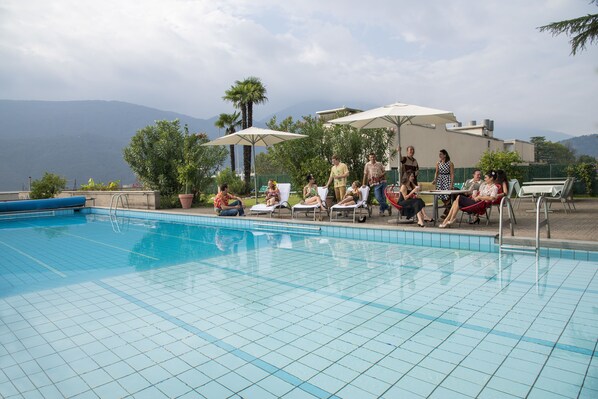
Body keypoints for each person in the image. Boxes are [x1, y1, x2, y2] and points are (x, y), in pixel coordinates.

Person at [362, 152, 391, 217]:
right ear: (369, 158)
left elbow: (384, 172)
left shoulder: (379, 164)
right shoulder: (367, 165)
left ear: (375, 157)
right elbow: (365, 174)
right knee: (378, 197)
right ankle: (388, 207)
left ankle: (381, 211)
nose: (372, 158)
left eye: (373, 157)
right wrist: (363, 184)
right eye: (371, 157)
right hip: (374, 183)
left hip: (382, 181)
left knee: (383, 197)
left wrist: (381, 175)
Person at [432, 149, 454, 218]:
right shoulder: (438, 163)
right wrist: (435, 179)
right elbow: (437, 172)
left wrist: (451, 184)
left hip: (447, 179)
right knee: (440, 195)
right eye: (439, 154)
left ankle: (448, 211)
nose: (439, 155)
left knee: (447, 195)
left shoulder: (450, 163)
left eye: (441, 154)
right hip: (440, 180)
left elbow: (452, 174)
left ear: (445, 155)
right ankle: (448, 210)